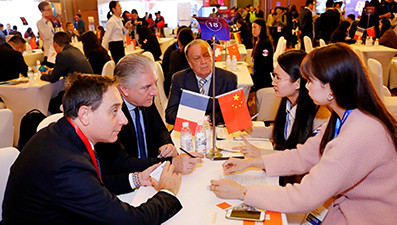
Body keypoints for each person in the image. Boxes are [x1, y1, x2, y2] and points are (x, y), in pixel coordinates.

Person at [210, 43, 397, 225]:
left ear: (331, 88)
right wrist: (252, 163)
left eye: (310, 81)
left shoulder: (358, 133)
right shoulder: (344, 117)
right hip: (344, 210)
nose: (306, 87)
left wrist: (242, 192)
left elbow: (305, 196)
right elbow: (304, 155)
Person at [2, 74, 183, 224]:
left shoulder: (62, 133)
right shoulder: (67, 164)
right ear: (85, 114)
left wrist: (137, 179)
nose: (124, 120)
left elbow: (93, 186)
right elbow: (131, 221)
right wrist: (167, 192)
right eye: (114, 110)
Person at [95, 54, 203, 194]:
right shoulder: (111, 114)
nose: (155, 92)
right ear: (124, 90)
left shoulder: (143, 98)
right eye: (146, 87)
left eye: (155, 84)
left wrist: (166, 144)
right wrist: (171, 163)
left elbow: (160, 130)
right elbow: (122, 163)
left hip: (151, 175)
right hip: (127, 185)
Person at [242, 50, 330, 185]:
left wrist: (260, 153)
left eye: (278, 77)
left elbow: (300, 159)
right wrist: (251, 129)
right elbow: (285, 134)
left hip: (301, 182)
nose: (273, 82)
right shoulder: (289, 101)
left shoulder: (319, 117)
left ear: (297, 83)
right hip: (286, 174)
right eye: (274, 75)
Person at [165, 39, 237, 125]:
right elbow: (170, 114)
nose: (203, 61)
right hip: (190, 131)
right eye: (197, 58)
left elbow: (235, 111)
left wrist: (209, 118)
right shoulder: (180, 79)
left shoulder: (228, 79)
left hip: (218, 130)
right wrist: (198, 118)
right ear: (190, 63)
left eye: (206, 56)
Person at [165, 27, 194, 96]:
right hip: (182, 91)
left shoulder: (174, 53)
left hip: (170, 88)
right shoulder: (193, 54)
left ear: (179, 41)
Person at [251, 19, 274, 91]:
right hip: (257, 74)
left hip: (263, 77)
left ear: (261, 28)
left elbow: (264, 63)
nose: (253, 30)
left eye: (255, 27)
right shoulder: (257, 41)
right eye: (252, 28)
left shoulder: (265, 43)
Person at [37, 1, 57, 67]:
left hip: (58, 50)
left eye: (51, 9)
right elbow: (46, 36)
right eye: (48, 9)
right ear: (42, 11)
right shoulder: (40, 23)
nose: (51, 11)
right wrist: (49, 22)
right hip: (49, 52)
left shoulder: (54, 20)